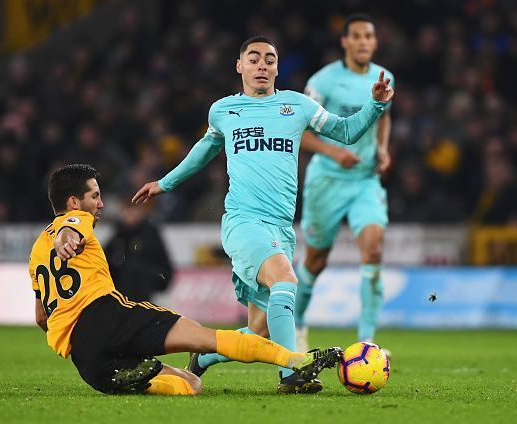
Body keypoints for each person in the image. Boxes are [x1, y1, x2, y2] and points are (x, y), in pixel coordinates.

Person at [132, 35, 393, 393]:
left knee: (260, 329)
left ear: (277, 67)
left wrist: (375, 105)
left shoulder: (297, 106)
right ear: (239, 66)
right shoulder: (223, 110)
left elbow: (345, 132)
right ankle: (292, 374)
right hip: (243, 221)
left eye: (269, 60)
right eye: (253, 59)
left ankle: (203, 358)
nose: (262, 65)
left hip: (280, 228)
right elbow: (202, 152)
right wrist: (165, 183)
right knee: (286, 281)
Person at [29, 164, 343, 396]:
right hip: (109, 318)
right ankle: (296, 360)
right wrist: (66, 237)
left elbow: (42, 317)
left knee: (191, 385)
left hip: (87, 361)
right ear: (73, 202)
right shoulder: (74, 222)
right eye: (95, 196)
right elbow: (70, 228)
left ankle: (135, 374)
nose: (100, 204)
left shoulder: (35, 254)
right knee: (209, 338)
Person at [293, 14, 395, 352]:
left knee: (374, 250)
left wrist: (381, 150)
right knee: (315, 261)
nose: (364, 41)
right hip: (328, 180)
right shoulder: (323, 82)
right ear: (345, 42)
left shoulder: (385, 77)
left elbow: (384, 117)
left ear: (375, 41)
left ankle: (367, 340)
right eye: (357, 36)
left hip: (365, 181)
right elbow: (301, 132)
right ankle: (297, 324)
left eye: (370, 35)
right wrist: (334, 153)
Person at [104, 197, 173, 302]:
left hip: (146, 287)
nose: (129, 214)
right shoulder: (119, 235)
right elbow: (105, 259)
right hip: (122, 287)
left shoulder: (150, 234)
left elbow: (163, 266)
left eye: (133, 210)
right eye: (126, 210)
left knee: (134, 267)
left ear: (141, 212)